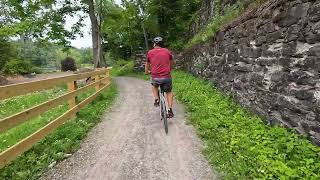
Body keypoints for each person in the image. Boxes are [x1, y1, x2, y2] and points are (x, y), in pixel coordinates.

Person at [145, 36, 174, 118]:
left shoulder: (150, 52)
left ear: (154, 44)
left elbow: (147, 64)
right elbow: (171, 62)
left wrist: (147, 71)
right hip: (166, 76)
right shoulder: (167, 51)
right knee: (169, 92)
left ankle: (156, 99)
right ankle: (170, 110)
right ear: (162, 44)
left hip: (155, 77)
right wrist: (170, 69)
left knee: (154, 85)